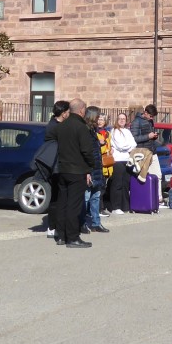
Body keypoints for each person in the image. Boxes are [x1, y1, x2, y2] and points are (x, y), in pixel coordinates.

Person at [51, 98, 100, 248]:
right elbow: (86, 150)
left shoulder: (60, 126)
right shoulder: (81, 127)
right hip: (77, 170)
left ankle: (61, 235)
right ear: (81, 110)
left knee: (63, 202)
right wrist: (91, 166)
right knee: (74, 204)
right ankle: (72, 237)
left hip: (62, 169)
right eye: (84, 109)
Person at [42, 100, 70, 239]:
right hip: (56, 166)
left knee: (59, 196)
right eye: (68, 112)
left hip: (60, 164)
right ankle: (53, 227)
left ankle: (55, 226)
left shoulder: (57, 124)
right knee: (56, 197)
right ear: (64, 113)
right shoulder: (54, 126)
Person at [82, 107, 110, 234]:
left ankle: (96, 223)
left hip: (97, 167)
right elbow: (85, 151)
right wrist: (87, 170)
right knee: (86, 197)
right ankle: (81, 223)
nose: (99, 119)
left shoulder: (93, 130)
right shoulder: (85, 130)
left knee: (96, 196)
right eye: (98, 116)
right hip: (90, 168)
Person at [107, 112, 137, 215]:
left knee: (126, 183)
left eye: (123, 118)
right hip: (118, 160)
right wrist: (128, 146)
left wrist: (128, 146)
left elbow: (134, 144)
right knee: (117, 184)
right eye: (120, 118)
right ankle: (116, 206)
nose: (122, 120)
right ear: (117, 120)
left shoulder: (127, 131)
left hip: (127, 160)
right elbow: (120, 146)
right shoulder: (114, 131)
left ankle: (125, 205)